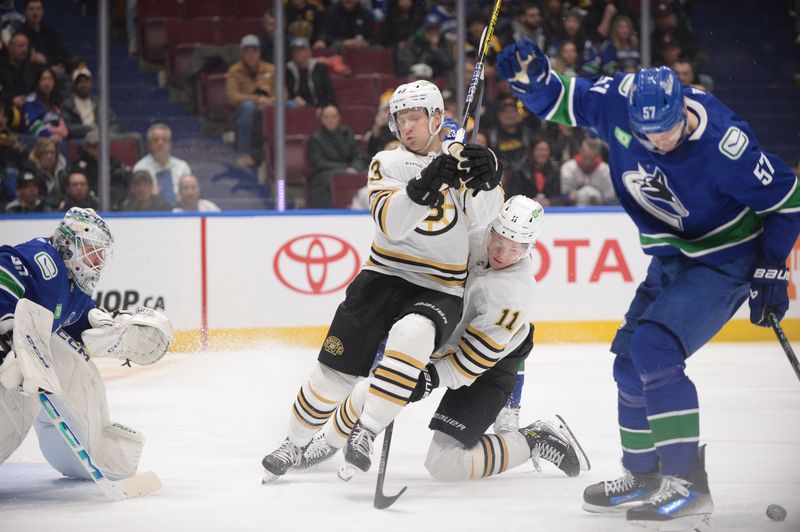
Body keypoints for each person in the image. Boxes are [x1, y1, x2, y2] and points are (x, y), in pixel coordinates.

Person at [497, 39, 800, 528]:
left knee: (656, 351)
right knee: (628, 366)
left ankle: (688, 485)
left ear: (683, 107)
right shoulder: (619, 96)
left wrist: (770, 268)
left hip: (724, 260)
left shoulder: (728, 145)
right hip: (670, 256)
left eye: (668, 130)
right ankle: (644, 476)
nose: (659, 141)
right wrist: (534, 84)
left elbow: (787, 201)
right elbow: (559, 100)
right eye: (647, 133)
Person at [261, 80, 505, 480]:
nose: (407, 128)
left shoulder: (460, 164)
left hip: (440, 288)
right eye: (401, 120)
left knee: (412, 336)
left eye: (414, 118)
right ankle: (293, 442)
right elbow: (390, 225)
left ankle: (366, 432)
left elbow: (484, 226)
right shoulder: (385, 162)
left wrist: (490, 180)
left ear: (437, 119)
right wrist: (426, 183)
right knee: (333, 373)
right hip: (383, 275)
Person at [296, 196, 592, 482]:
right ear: (492, 228)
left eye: (514, 248)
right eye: (499, 240)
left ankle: (534, 439)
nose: (501, 253)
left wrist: (430, 378)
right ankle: (329, 443)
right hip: (445, 338)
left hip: (491, 365)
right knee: (375, 390)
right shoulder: (469, 240)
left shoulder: (515, 295)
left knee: (446, 464)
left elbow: (474, 361)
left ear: (529, 247)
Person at [0, 208, 173, 482]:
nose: (99, 260)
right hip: (6, 352)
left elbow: (77, 320)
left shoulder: (75, 290)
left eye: (103, 253)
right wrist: (5, 322)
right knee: (19, 407)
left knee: (80, 376)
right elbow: (4, 270)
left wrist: (111, 330)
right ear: (69, 245)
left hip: (20, 349)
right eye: (93, 250)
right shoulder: (48, 261)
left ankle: (91, 451)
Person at [225, 34, 276, 168]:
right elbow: (232, 96)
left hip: (269, 106)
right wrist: (257, 100)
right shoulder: (234, 71)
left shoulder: (271, 69)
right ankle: (244, 153)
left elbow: (283, 94)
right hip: (245, 111)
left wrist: (270, 101)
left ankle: (282, 152)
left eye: (254, 52)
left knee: (291, 105)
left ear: (259, 52)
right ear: (242, 54)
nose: (251, 56)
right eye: (247, 52)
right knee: (248, 106)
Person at [307, 104, 366, 208]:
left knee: (367, 174)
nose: (330, 120)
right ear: (321, 119)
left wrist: (355, 167)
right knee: (324, 180)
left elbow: (357, 155)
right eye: (326, 117)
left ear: (339, 117)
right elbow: (319, 163)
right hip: (326, 173)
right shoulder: (315, 138)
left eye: (333, 116)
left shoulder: (347, 133)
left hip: (350, 170)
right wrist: (344, 169)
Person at [132, 123, 191, 203]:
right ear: (149, 145)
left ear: (170, 144)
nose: (160, 144)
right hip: (152, 212)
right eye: (156, 140)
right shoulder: (140, 168)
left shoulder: (182, 167)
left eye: (164, 140)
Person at [62, 66, 118, 138]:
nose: (84, 84)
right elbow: (68, 127)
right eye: (80, 82)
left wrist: (107, 133)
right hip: (83, 138)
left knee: (134, 137)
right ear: (75, 85)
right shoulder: (68, 105)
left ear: (91, 83)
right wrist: (92, 130)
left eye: (86, 81)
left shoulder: (99, 102)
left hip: (102, 137)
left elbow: (113, 122)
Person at [560, 137, 615, 206]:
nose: (588, 162)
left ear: (597, 155)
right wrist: (569, 197)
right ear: (581, 152)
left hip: (599, 211)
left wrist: (601, 199)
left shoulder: (606, 170)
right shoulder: (568, 167)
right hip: (575, 210)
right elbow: (564, 196)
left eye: (592, 158)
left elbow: (610, 199)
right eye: (586, 157)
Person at [285, 37, 336, 109]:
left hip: (318, 108)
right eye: (295, 50)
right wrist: (293, 98)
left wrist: (323, 107)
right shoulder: (288, 70)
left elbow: (329, 92)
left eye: (301, 50)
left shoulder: (319, 68)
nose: (297, 53)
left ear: (308, 51)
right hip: (296, 108)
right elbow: (285, 92)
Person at [22, 65, 67, 139]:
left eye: (50, 79)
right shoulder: (30, 101)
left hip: (56, 139)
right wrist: (50, 135)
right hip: (34, 140)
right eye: (43, 79)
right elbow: (33, 125)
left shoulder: (55, 102)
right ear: (37, 82)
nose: (47, 83)